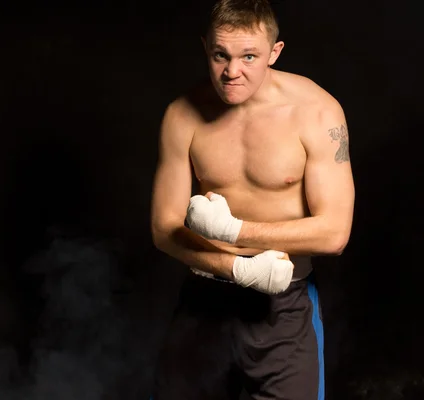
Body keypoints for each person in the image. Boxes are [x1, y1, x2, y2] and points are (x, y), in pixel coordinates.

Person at [149, 0, 355, 399]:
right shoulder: (182, 115)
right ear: (206, 47)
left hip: (284, 308)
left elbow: (335, 233)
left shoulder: (317, 112)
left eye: (249, 56)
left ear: (274, 53)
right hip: (203, 303)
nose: (232, 71)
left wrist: (233, 230)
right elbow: (163, 228)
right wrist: (238, 269)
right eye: (220, 55)